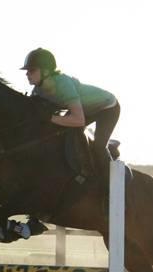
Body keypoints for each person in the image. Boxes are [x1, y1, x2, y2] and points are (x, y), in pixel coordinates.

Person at [22, 47, 120, 190]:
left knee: (98, 146)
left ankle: (110, 184)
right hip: (85, 109)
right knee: (60, 132)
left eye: (31, 70)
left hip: (108, 108)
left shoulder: (63, 84)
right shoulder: (38, 90)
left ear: (46, 71)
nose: (27, 74)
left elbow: (78, 120)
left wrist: (49, 117)